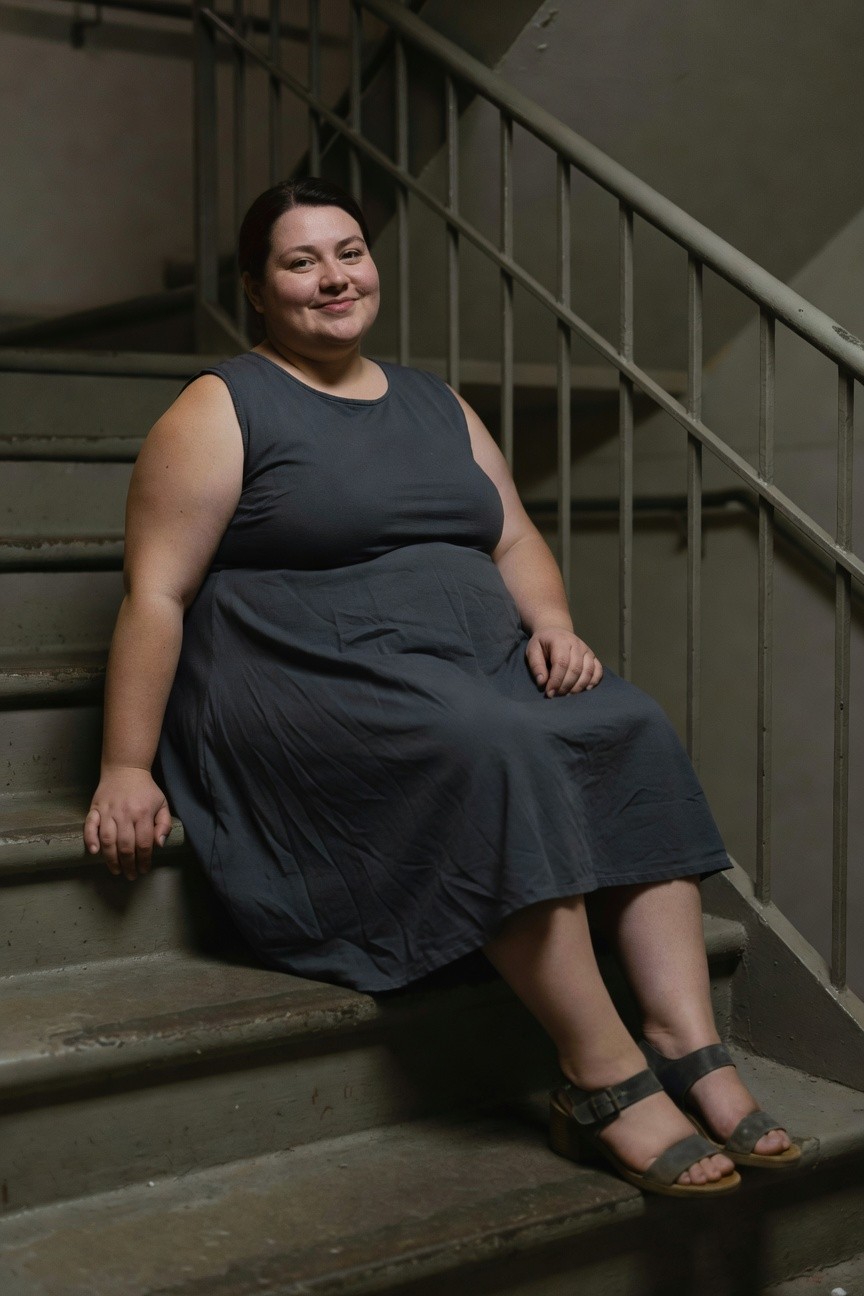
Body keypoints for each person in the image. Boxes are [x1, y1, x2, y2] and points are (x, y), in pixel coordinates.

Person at [84, 177, 800, 1198]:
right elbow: (156, 592)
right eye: (301, 262)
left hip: (465, 660)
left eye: (349, 252)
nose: (334, 277)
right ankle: (600, 1076)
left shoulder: (434, 400)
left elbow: (510, 533)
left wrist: (551, 627)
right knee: (489, 748)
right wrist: (125, 764)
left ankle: (687, 1042)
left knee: (627, 722)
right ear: (256, 288)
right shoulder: (219, 406)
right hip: (301, 679)